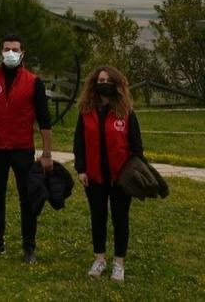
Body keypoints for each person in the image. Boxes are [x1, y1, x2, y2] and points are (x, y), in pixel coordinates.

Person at [0, 33, 54, 263]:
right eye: (7, 48)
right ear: (1, 51)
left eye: (15, 49)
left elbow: (44, 121)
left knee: (27, 198)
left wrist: (47, 154)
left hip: (22, 148)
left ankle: (29, 247)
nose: (11, 53)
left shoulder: (33, 82)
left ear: (22, 53)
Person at [74, 66, 143, 283]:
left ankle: (119, 263)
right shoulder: (86, 112)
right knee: (98, 218)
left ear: (116, 85)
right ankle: (100, 259)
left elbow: (136, 147)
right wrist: (81, 169)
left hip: (121, 178)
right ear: (94, 83)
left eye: (108, 80)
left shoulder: (126, 113)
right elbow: (79, 143)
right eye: (100, 79)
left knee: (120, 219)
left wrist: (132, 173)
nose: (104, 83)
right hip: (94, 176)